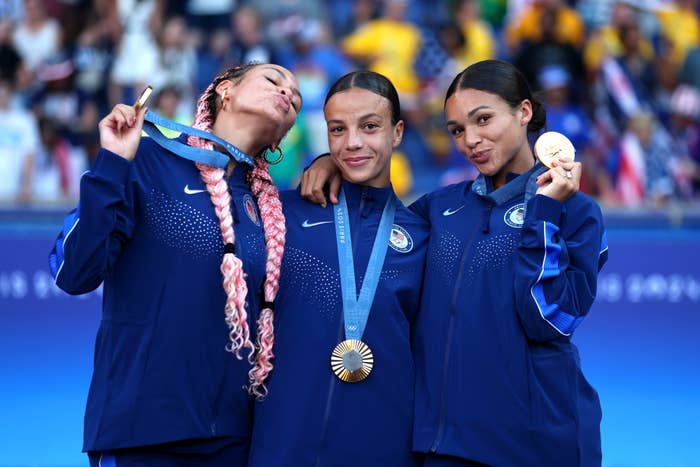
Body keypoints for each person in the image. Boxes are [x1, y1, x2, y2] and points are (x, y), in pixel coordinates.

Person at [302, 59, 608, 466]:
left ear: (524, 112)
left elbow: (549, 319)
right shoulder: (441, 207)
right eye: (458, 130)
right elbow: (373, 218)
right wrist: (331, 163)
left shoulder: (576, 212)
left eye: (483, 119)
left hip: (535, 445)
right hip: (443, 445)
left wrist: (545, 213)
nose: (471, 141)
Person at [48, 63, 302, 466]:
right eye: (273, 80)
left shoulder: (272, 210)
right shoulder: (148, 162)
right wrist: (113, 162)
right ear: (225, 92)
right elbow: (74, 272)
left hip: (235, 442)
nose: (288, 94)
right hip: (143, 433)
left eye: (297, 99)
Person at [248, 70, 429, 467]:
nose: (353, 143)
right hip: (281, 447)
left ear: (397, 132)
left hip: (383, 450)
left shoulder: (422, 234)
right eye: (337, 129)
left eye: (369, 126)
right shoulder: (284, 213)